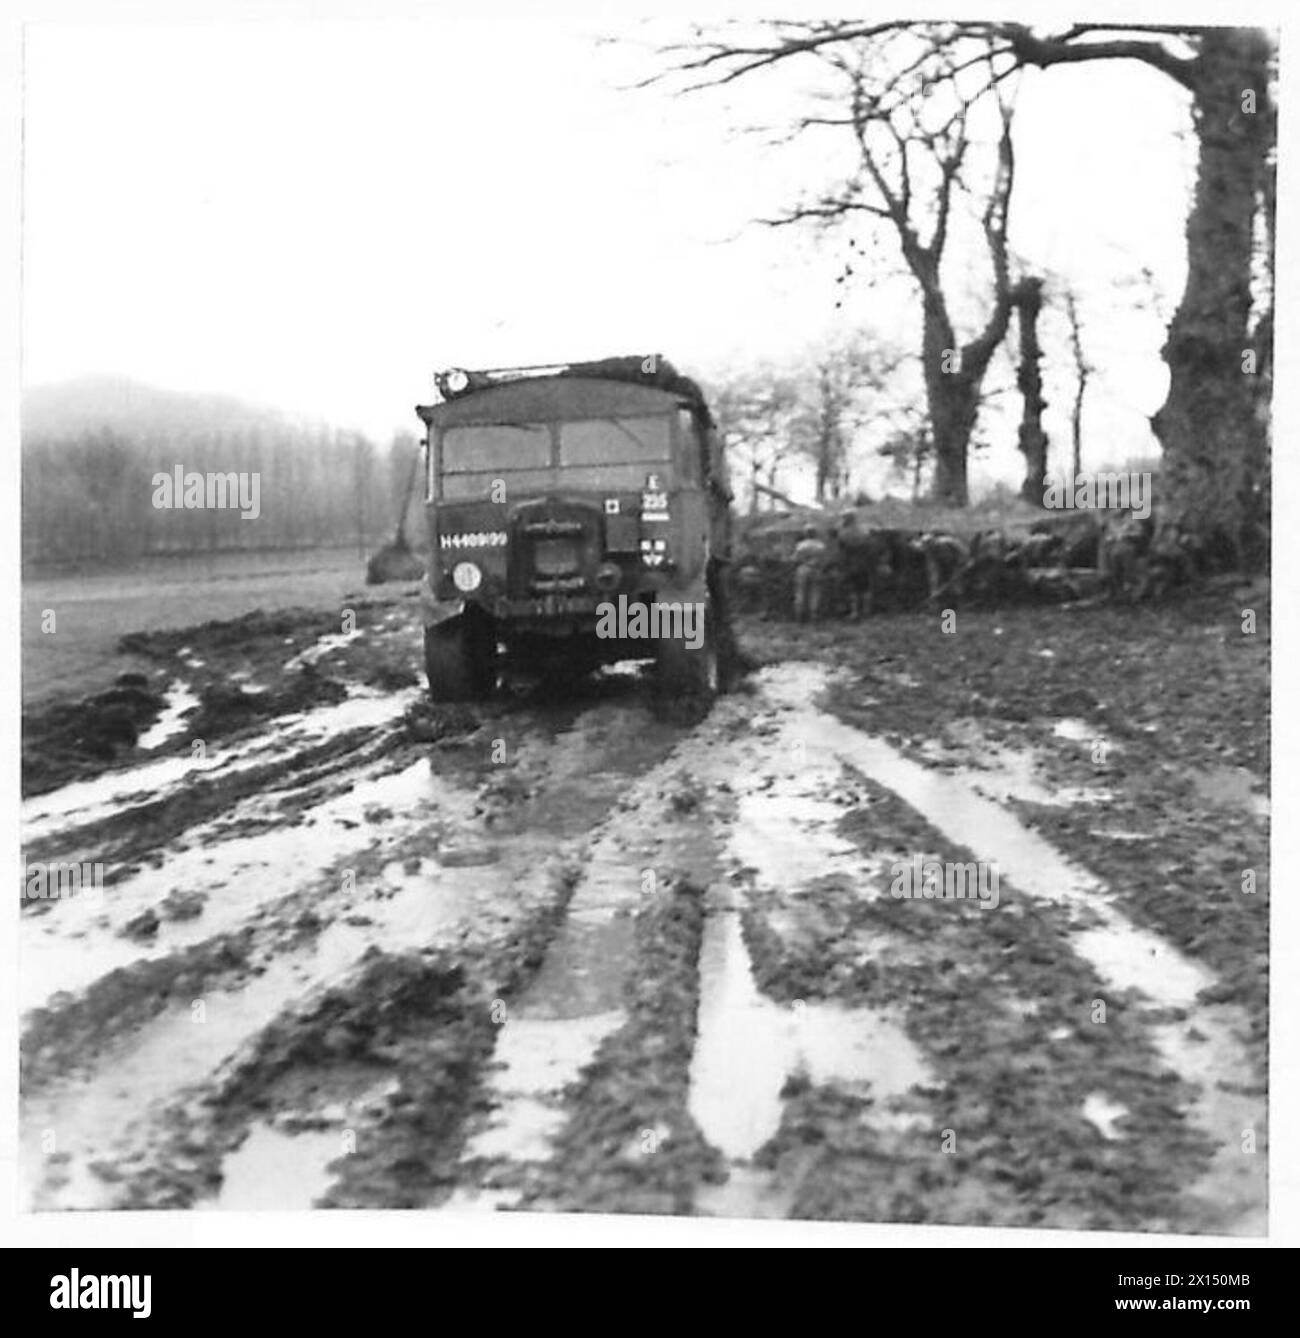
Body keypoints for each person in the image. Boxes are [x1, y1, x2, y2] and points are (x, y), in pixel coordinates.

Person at [792, 524, 829, 623]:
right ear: (815, 533)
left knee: (800, 592)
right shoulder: (821, 546)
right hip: (816, 569)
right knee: (815, 592)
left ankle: (799, 615)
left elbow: (795, 559)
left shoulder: (800, 545)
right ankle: (814, 615)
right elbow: (824, 560)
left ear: (806, 533)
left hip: (803, 568)